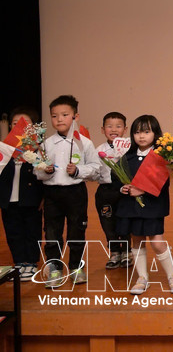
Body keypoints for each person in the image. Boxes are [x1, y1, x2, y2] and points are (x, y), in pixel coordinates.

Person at [35, 95, 102, 288]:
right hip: (52, 194)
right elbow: (37, 170)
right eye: (54, 116)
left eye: (65, 115)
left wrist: (78, 170)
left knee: (77, 230)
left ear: (75, 116)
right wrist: (44, 171)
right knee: (52, 232)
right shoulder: (46, 144)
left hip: (75, 193)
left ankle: (75, 267)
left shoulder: (84, 143)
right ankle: (55, 268)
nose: (59, 119)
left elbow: (95, 167)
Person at [117, 115, 173, 295]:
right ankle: (142, 277)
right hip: (132, 207)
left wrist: (143, 190)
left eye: (146, 132)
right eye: (137, 132)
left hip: (153, 206)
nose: (141, 136)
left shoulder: (161, 156)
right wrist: (123, 188)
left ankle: (172, 276)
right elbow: (118, 179)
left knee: (156, 241)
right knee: (137, 240)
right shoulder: (127, 158)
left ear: (155, 133)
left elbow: (163, 182)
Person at [0, 107, 43, 281]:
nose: (19, 127)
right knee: (13, 231)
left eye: (24, 124)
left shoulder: (38, 149)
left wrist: (43, 198)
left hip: (31, 198)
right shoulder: (4, 149)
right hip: (8, 198)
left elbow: (45, 176)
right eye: (16, 124)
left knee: (31, 231)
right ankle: (19, 262)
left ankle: (31, 263)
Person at [94, 111, 131, 270]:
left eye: (118, 126)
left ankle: (128, 252)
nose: (113, 129)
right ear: (102, 129)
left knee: (126, 221)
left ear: (125, 129)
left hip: (125, 191)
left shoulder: (129, 148)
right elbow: (94, 170)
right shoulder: (98, 150)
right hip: (106, 191)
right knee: (108, 222)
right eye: (109, 126)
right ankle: (115, 252)